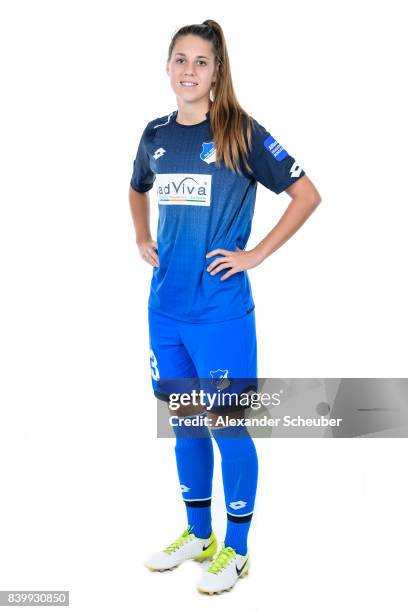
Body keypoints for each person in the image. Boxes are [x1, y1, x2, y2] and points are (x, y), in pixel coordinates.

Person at [128, 19, 321, 595]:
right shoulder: (154, 133)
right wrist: (141, 236)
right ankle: (198, 535)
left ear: (218, 70)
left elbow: (306, 193)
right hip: (166, 310)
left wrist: (256, 253)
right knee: (186, 424)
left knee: (228, 428)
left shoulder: (240, 131)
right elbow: (137, 186)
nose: (189, 71)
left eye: (201, 62)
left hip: (220, 314)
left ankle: (236, 550)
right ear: (168, 66)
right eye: (180, 60)